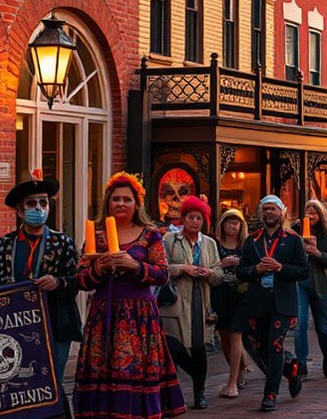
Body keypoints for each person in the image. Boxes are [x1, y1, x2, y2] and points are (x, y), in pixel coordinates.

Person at [73, 172, 186, 418]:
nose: (121, 204)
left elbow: (163, 274)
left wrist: (135, 266)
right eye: (116, 199)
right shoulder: (96, 235)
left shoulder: (150, 235)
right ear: (108, 203)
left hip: (139, 316)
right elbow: (80, 279)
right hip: (104, 313)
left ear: (137, 205)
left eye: (127, 199)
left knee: (136, 370)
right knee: (102, 367)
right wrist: (99, 268)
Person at [0, 174, 82, 419]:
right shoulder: (3, 245)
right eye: (32, 204)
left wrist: (57, 282)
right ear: (19, 210)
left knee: (52, 381)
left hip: (56, 322)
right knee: (21, 384)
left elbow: (77, 281)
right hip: (15, 326)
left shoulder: (63, 243)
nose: (39, 208)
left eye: (43, 203)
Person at [236, 195, 309, 412]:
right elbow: (241, 272)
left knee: (275, 344)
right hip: (258, 301)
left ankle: (270, 394)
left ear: (282, 213)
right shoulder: (252, 240)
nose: (269, 213)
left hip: (283, 303)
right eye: (265, 209)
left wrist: (280, 268)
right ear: (261, 213)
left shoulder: (294, 240)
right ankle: (290, 368)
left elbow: (304, 272)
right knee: (260, 347)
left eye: (273, 209)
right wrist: (255, 270)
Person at [161, 196, 224, 409]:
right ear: (183, 218)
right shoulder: (170, 239)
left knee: (198, 347)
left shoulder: (210, 243)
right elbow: (161, 268)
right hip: (176, 300)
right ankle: (175, 391)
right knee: (173, 345)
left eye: (199, 218)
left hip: (201, 299)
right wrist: (182, 268)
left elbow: (219, 274)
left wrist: (208, 273)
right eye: (190, 217)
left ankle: (200, 393)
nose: (194, 222)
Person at [293, 199, 327, 379]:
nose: (311, 215)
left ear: (320, 215)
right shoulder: (296, 232)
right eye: (308, 212)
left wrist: (316, 251)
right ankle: (301, 364)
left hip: (318, 283)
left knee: (322, 327)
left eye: (314, 212)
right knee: (300, 325)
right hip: (299, 283)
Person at [212, 209, 251, 398]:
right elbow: (208, 267)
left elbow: (254, 266)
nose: (232, 226)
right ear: (222, 224)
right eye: (229, 222)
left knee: (236, 335)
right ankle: (242, 369)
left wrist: (240, 264)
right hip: (220, 293)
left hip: (240, 294)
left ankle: (233, 382)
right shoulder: (214, 245)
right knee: (224, 336)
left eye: (236, 222)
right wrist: (221, 264)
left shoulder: (246, 245)